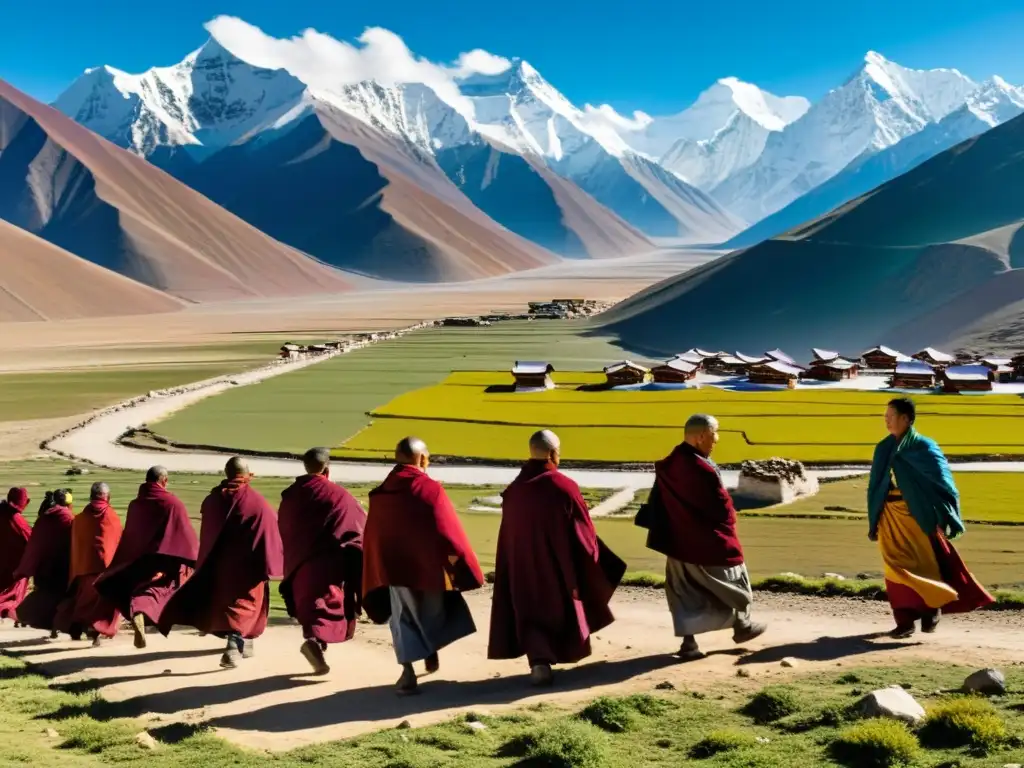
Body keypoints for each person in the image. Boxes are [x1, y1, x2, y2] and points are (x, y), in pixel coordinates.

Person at [488, 430, 626, 686]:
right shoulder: (563, 487)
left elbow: (507, 536)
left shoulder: (514, 491)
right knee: (559, 609)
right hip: (557, 567)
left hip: (522, 567)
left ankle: (539, 663)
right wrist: (592, 562)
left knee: (529, 612)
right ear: (552, 454)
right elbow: (584, 534)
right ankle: (556, 655)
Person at [363, 437, 484, 696]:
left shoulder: (382, 493)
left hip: (394, 569)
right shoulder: (429, 490)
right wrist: (462, 564)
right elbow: (447, 530)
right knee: (435, 610)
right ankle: (428, 652)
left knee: (402, 617)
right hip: (429, 567)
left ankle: (408, 671)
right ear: (421, 459)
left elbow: (374, 535)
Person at [642, 414, 766, 661]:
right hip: (707, 542)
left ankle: (689, 644)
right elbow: (720, 507)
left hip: (677, 542)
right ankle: (742, 624)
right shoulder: (702, 469)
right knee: (734, 579)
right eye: (714, 433)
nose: (717, 439)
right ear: (700, 437)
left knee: (684, 592)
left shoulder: (670, 463)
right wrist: (730, 516)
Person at [868, 397, 993, 638]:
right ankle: (904, 621)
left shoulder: (924, 447)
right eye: (885, 416)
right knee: (894, 568)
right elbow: (875, 486)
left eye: (891, 416)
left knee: (925, 566)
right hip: (890, 516)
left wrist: (946, 514)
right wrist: (874, 516)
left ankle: (932, 609)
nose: (886, 420)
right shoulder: (883, 448)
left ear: (906, 419)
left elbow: (944, 483)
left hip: (919, 515)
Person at [159, 457, 283, 668]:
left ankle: (245, 641)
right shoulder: (256, 502)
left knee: (225, 605)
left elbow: (208, 534)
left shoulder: (212, 500)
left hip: (218, 567)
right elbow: (269, 532)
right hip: (247, 568)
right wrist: (271, 564)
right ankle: (233, 647)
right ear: (247, 474)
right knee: (245, 605)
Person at [278, 447, 366, 675]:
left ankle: (315, 643)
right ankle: (315, 643)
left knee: (310, 605)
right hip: (327, 564)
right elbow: (357, 525)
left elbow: (285, 528)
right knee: (325, 604)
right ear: (327, 469)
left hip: (298, 563)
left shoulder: (290, 495)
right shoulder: (338, 495)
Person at [94, 466, 198, 649]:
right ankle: (142, 614)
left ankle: (138, 614)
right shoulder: (173, 503)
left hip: (139, 560)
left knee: (139, 588)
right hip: (164, 559)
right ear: (164, 481)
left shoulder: (135, 505)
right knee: (162, 588)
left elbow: (132, 535)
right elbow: (185, 534)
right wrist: (195, 559)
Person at [54, 482, 123, 645]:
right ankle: (95, 632)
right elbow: (118, 542)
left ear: (91, 497)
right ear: (108, 497)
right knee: (103, 603)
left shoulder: (80, 518)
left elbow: (76, 544)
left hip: (83, 568)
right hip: (104, 570)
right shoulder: (111, 516)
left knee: (82, 602)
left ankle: (77, 629)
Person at [15, 490, 74, 637]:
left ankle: (48, 626)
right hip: (62, 564)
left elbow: (35, 542)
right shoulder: (68, 518)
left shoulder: (43, 518)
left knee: (45, 595)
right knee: (61, 596)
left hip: (43, 567)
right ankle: (58, 627)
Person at [0, 488, 32, 624]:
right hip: (13, 567)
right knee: (11, 595)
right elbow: (31, 538)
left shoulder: (2, 512)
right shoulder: (16, 518)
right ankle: (14, 614)